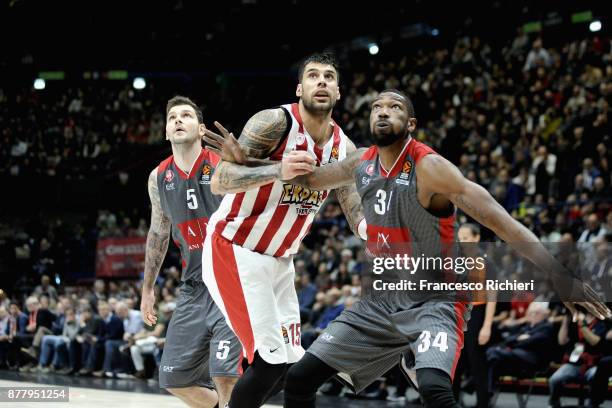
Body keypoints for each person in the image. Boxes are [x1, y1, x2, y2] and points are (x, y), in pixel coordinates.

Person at [207, 89, 610, 407]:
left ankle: (412, 356)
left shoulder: (431, 167)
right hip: (384, 299)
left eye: (394, 107)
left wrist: (562, 278)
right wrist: (246, 161)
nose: (383, 111)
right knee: (299, 378)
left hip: (437, 299)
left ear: (410, 123)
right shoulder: (360, 163)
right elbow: (305, 181)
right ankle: (398, 352)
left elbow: (501, 222)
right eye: (377, 106)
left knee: (434, 390)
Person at [201, 52, 364, 408]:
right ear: (299, 87)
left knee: (293, 367)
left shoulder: (344, 148)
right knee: (269, 362)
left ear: (338, 92)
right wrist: (278, 170)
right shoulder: (274, 122)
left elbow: (354, 208)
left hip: (280, 262)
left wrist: (377, 235)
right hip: (236, 247)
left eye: (329, 77)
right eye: (313, 75)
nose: (321, 81)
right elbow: (221, 180)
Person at [140, 96, 242, 408]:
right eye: (172, 118)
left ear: (200, 129)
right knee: (173, 379)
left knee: (224, 374)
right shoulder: (159, 177)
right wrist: (147, 289)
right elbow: (158, 232)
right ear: (166, 132)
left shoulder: (221, 164)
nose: (178, 120)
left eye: (186, 116)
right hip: (193, 286)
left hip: (232, 282)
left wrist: (243, 160)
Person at [453, 223, 496, 408]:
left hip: (477, 314)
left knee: (477, 362)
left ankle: (482, 403)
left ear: (476, 238)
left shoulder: (486, 262)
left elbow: (493, 296)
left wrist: (487, 325)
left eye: (466, 238)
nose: (462, 242)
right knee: (455, 363)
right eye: (460, 238)